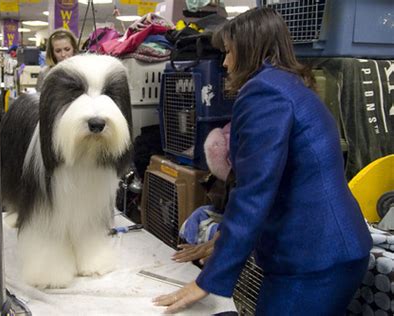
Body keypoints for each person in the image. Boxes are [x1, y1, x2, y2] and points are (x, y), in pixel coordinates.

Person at [153, 7, 372, 315]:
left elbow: (256, 190)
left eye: (228, 52)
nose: (225, 63)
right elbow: (284, 180)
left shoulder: (264, 93)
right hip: (332, 248)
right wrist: (222, 243)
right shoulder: (289, 84)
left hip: (313, 260)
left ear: (249, 48)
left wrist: (209, 279)